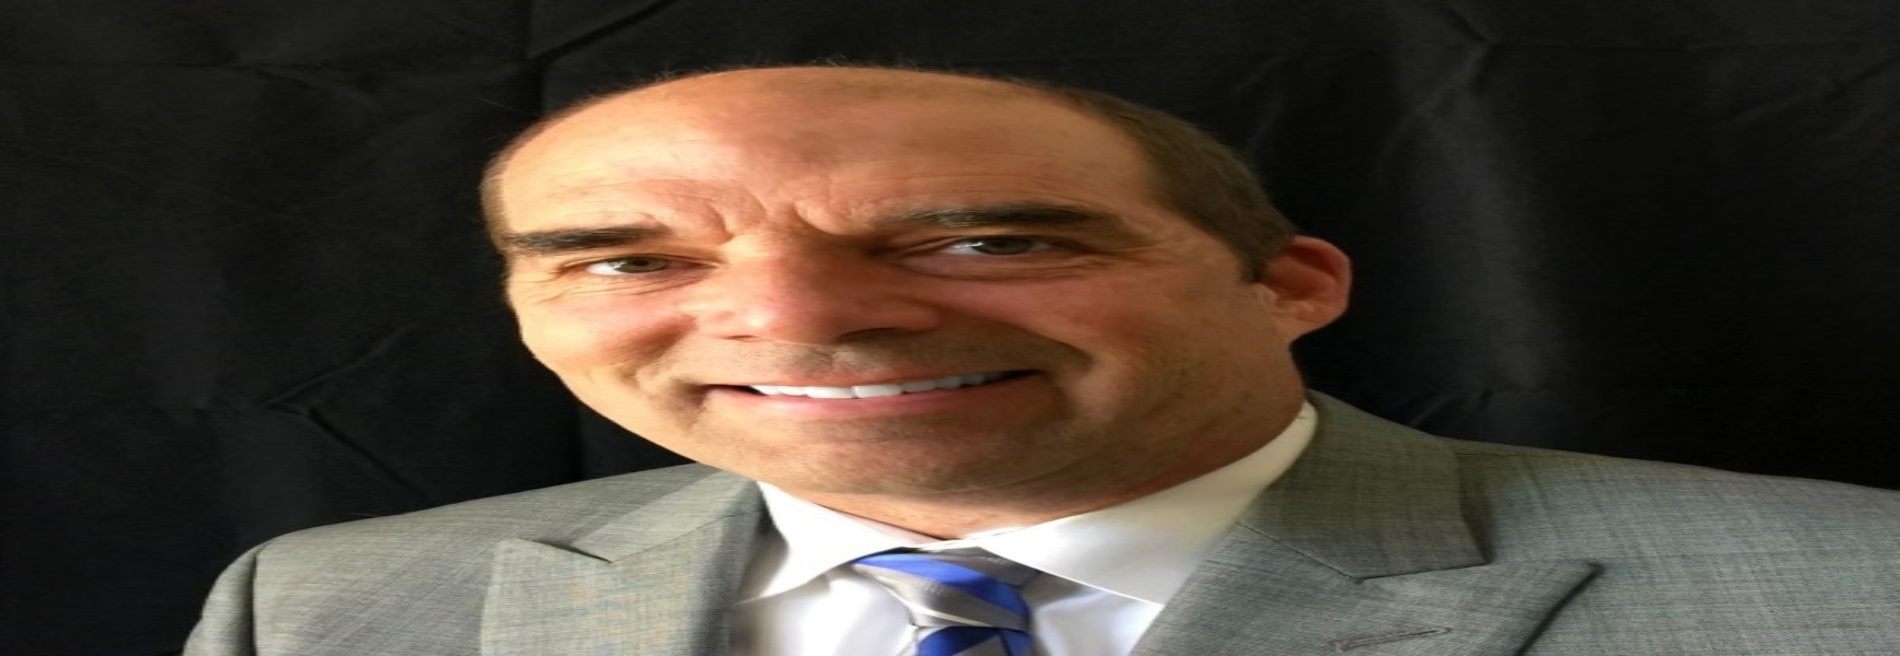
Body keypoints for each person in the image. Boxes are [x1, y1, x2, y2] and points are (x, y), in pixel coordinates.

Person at [184, 65, 1899, 655]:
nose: (802, 320)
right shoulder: (329, 608)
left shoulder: (1851, 593)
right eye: (631, 259)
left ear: (1290, 285)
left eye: (984, 242)